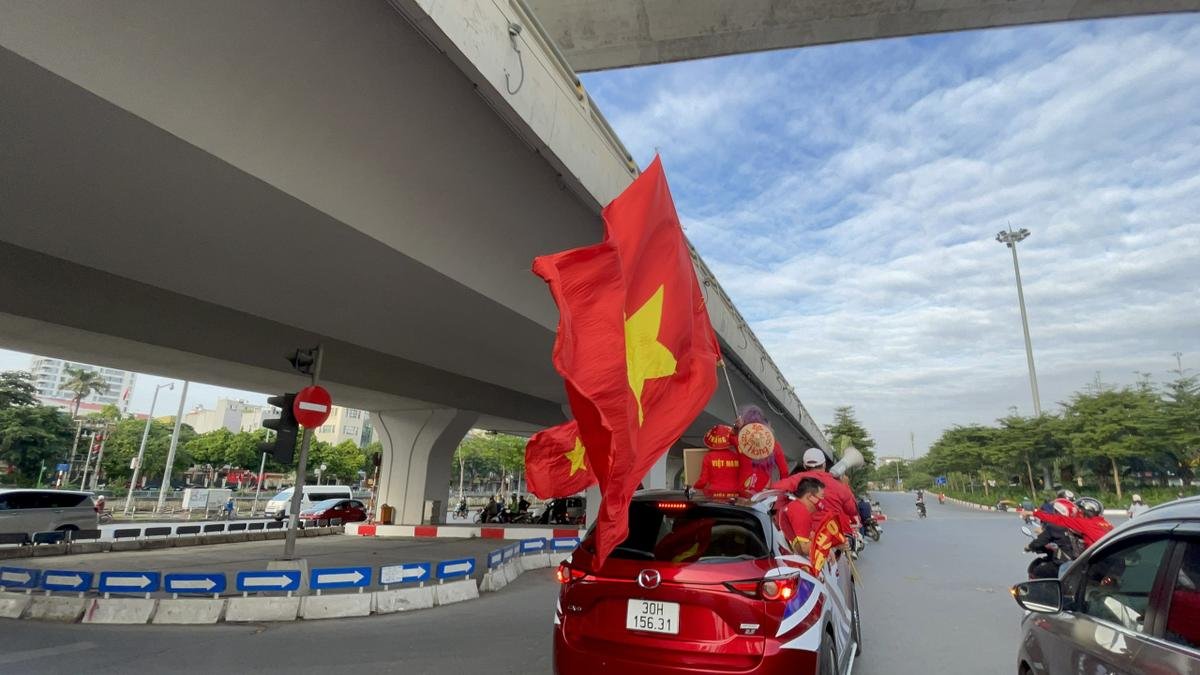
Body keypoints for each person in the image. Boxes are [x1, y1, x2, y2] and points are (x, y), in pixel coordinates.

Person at [770, 448, 859, 530]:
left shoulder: (795, 480)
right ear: (824, 464)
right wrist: (845, 485)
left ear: (805, 465)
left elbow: (772, 490)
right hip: (831, 538)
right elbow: (852, 510)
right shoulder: (839, 486)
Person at [731, 407, 789, 495]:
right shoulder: (774, 445)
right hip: (763, 492)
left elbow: (731, 437)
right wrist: (780, 490)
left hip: (742, 490)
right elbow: (784, 472)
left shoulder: (742, 443)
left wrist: (736, 427)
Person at [778, 477, 825, 556]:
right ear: (810, 497)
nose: (823, 499)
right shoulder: (799, 511)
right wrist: (829, 544)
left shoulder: (796, 507)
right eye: (822, 496)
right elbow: (804, 549)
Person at [693, 424, 741, 499]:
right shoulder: (737, 456)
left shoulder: (709, 457)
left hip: (714, 495)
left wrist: (694, 488)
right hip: (734, 495)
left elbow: (703, 481)